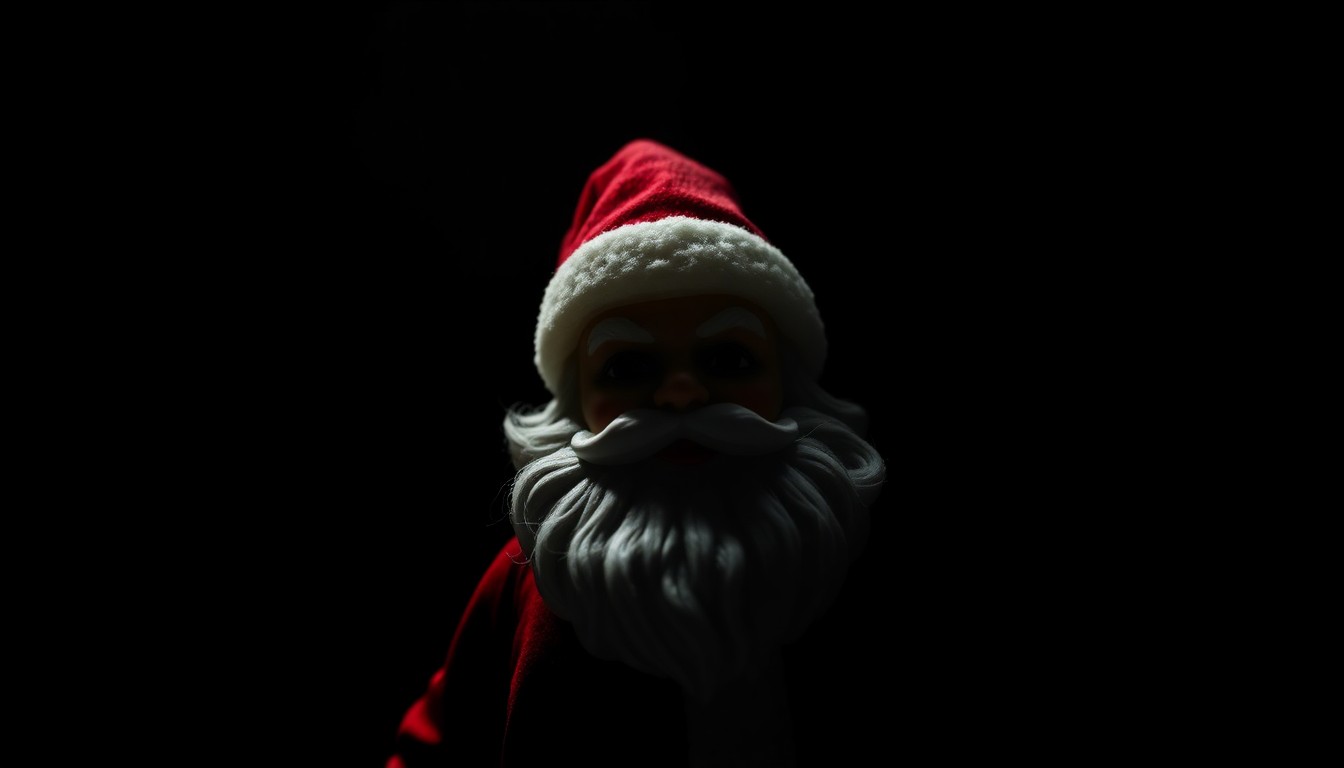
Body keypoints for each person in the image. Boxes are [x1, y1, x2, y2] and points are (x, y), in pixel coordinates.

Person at [386, 139, 888, 767]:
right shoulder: (520, 579)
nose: (681, 394)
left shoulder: (850, 553)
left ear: (786, 382)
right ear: (576, 403)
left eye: (728, 358)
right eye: (627, 366)